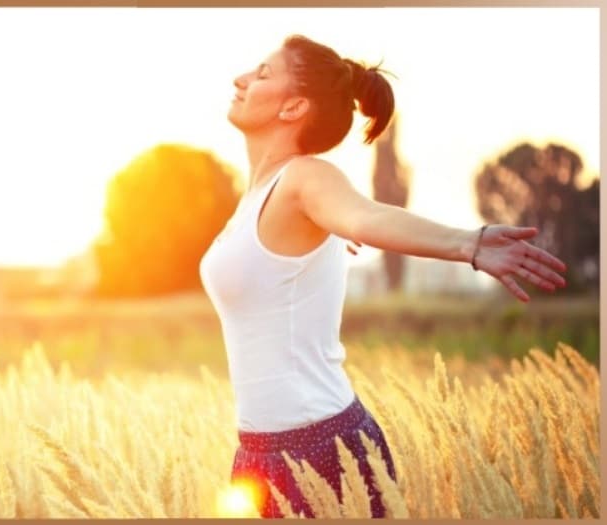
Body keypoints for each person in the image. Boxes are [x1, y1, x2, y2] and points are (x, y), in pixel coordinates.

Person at [198, 34, 568, 519]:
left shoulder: (306, 177)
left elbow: (366, 217)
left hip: (319, 449)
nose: (241, 79)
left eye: (263, 73)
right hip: (256, 451)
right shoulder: (262, 198)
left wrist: (469, 243)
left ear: (293, 107)